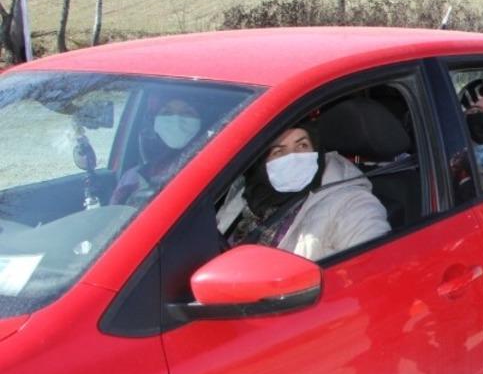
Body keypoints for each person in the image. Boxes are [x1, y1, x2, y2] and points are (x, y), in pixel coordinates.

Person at [218, 121, 389, 262]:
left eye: (302, 145)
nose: (293, 156)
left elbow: (376, 262)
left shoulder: (349, 203)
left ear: (316, 151)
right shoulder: (246, 194)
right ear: (262, 163)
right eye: (278, 150)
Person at [111, 97, 205, 206]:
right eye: (167, 113)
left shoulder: (216, 170)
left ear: (202, 120)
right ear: (154, 121)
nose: (176, 121)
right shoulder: (133, 177)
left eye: (187, 113)